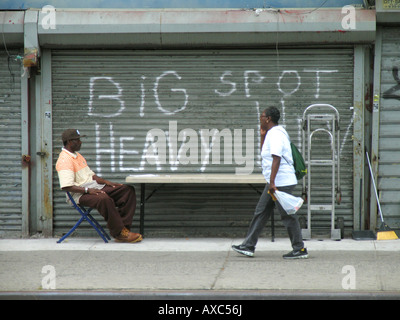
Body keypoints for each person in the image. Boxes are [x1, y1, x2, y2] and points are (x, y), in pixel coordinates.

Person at [232, 107, 308, 259]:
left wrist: (272, 183)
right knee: (261, 212)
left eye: (262, 116)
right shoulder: (271, 134)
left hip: (281, 182)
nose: (260, 119)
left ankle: (299, 249)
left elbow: (276, 158)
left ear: (268, 119)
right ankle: (248, 246)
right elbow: (265, 154)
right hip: (275, 182)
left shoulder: (276, 134)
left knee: (287, 215)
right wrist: (262, 136)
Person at [56, 129, 142, 243]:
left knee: (127, 190)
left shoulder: (77, 156)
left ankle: (123, 230)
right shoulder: (64, 160)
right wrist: (88, 190)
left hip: (93, 187)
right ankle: (120, 232)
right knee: (103, 198)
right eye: (78, 140)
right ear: (70, 142)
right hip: (79, 194)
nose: (81, 142)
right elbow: (67, 186)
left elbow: (91, 175)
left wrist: (106, 182)